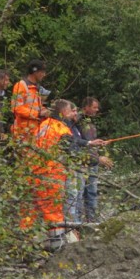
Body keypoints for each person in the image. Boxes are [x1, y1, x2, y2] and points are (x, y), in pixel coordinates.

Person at [24, 99, 105, 248]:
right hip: (50, 175)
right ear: (62, 112)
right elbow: (71, 150)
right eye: (69, 111)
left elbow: (71, 142)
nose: (72, 114)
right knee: (53, 212)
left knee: (33, 210)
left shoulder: (45, 124)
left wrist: (88, 144)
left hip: (34, 172)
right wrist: (97, 160)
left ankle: (26, 244)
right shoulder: (59, 128)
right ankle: (56, 246)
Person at [77, 96, 113, 222]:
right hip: (82, 163)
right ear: (86, 107)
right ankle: (79, 223)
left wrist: (100, 143)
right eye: (94, 107)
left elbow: (90, 142)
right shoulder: (78, 121)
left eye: (97, 107)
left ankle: (92, 221)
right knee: (80, 194)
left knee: (92, 193)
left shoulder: (90, 123)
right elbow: (81, 144)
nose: (97, 110)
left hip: (93, 162)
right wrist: (98, 158)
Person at [11, 59, 50, 142]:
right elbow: (16, 108)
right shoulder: (21, 85)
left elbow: (36, 106)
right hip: (22, 132)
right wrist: (38, 114)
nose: (44, 75)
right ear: (35, 71)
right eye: (42, 72)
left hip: (34, 131)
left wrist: (45, 111)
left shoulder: (36, 88)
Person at [0, 69, 11, 139]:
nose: (8, 82)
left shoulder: (7, 96)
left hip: (2, 135)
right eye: (6, 80)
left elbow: (7, 116)